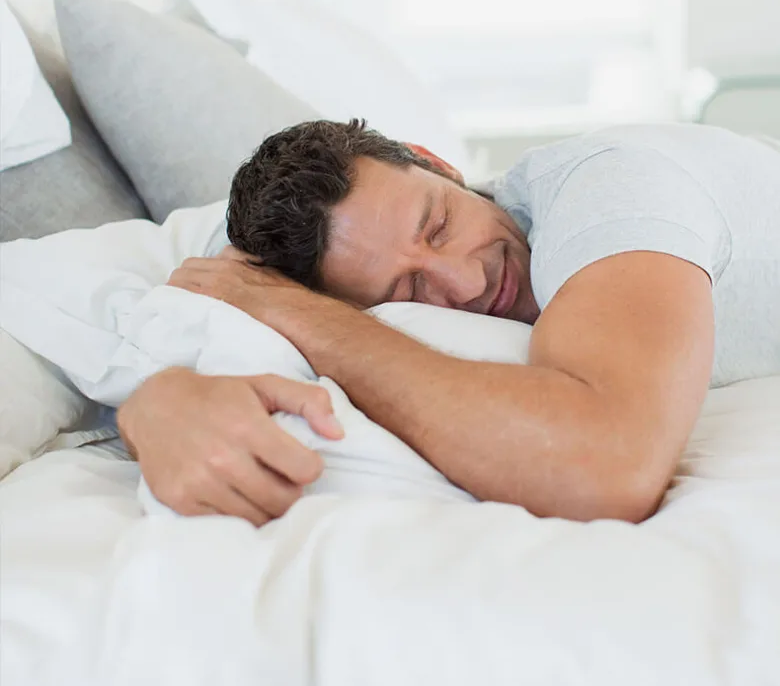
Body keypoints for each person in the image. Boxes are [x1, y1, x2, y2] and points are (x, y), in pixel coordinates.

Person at [118, 118, 780, 526]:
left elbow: (605, 468)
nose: (464, 282)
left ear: (435, 160)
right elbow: (212, 284)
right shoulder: (329, 261)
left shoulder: (605, 190)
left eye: (438, 225)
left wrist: (299, 313)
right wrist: (156, 403)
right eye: (409, 289)